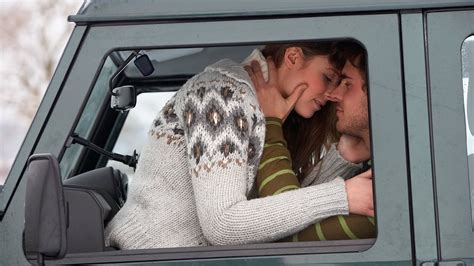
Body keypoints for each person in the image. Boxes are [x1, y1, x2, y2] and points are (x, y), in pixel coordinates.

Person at [104, 42, 373, 249]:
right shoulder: (219, 95)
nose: (331, 94)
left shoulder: (264, 111)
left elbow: (285, 211)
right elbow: (222, 224)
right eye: (328, 77)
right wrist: (342, 196)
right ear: (292, 57)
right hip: (146, 256)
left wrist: (345, 155)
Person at [247, 41, 375, 241]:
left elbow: (287, 232)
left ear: (378, 93)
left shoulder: (389, 185)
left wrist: (270, 122)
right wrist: (343, 157)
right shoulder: (371, 165)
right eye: (331, 79)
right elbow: (306, 212)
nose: (333, 95)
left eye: (347, 84)